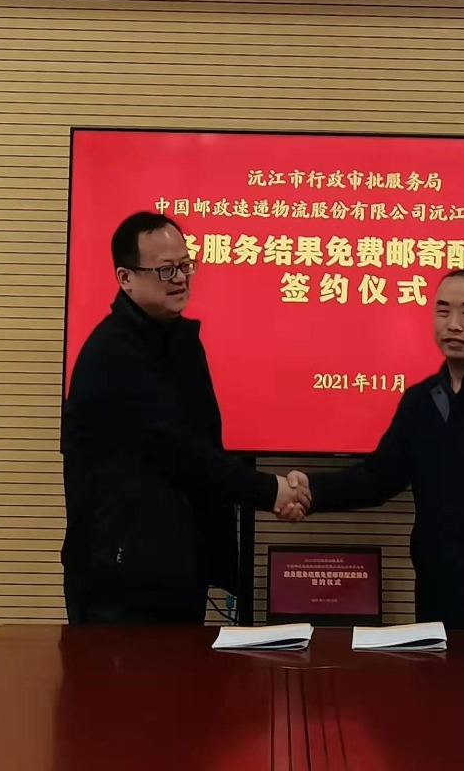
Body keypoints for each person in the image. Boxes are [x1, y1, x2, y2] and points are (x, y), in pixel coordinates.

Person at [282, 270, 464, 630]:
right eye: (443, 311)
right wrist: (310, 491)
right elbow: (377, 478)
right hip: (437, 591)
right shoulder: (420, 400)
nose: (453, 324)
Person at [61, 211, 308, 625]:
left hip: (176, 565)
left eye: (185, 265)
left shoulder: (179, 342)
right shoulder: (113, 354)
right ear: (125, 277)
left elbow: (203, 443)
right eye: (165, 270)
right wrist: (271, 491)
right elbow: (181, 451)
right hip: (120, 577)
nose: (180, 278)